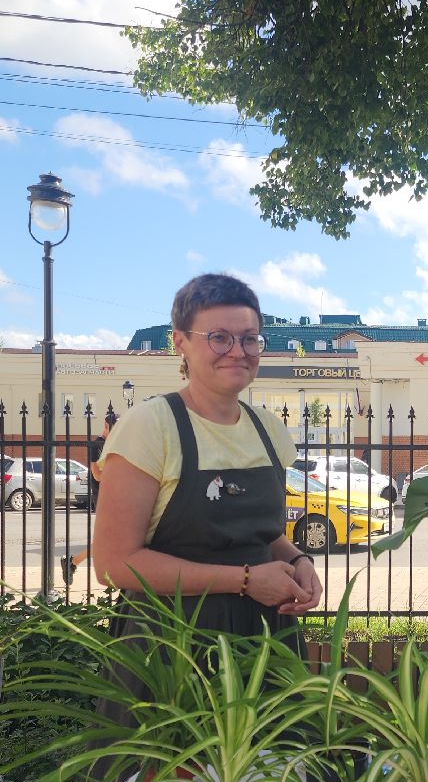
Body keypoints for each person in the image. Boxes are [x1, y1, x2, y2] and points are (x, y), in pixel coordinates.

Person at [92, 274, 321, 679]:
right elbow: (114, 564)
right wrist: (246, 580)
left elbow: (260, 533)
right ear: (180, 342)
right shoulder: (150, 426)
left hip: (266, 638)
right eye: (219, 337)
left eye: (250, 338)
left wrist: (298, 559)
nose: (238, 351)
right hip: (171, 645)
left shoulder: (269, 429)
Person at [60, 416, 116, 587]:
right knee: (109, 540)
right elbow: (97, 474)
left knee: (111, 540)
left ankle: (73, 562)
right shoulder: (97, 445)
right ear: (106, 426)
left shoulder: (116, 443)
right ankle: (74, 562)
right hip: (103, 497)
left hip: (117, 496)